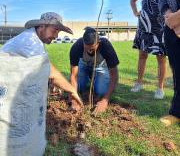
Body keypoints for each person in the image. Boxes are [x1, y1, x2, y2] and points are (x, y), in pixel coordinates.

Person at [0, 12, 82, 155]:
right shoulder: (30, 41)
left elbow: (39, 71)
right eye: (55, 30)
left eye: (58, 32)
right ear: (42, 26)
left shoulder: (34, 39)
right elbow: (49, 71)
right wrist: (72, 90)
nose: (56, 36)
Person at [130, 0, 168, 99]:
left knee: (161, 58)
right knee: (142, 55)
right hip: (144, 27)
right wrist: (135, 12)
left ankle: (160, 88)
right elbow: (132, 0)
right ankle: (138, 83)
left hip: (160, 29)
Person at [155, 0, 180, 126]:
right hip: (171, 31)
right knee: (178, 71)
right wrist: (169, 16)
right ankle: (176, 111)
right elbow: (162, 0)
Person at [70, 27, 119, 115]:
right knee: (79, 88)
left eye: (92, 48)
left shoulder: (106, 46)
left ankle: (96, 76)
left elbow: (114, 75)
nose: (89, 50)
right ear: (83, 42)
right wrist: (74, 98)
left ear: (98, 43)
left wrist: (105, 100)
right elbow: (73, 75)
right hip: (83, 65)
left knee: (101, 91)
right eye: (87, 47)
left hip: (100, 66)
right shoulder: (76, 47)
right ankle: (87, 77)